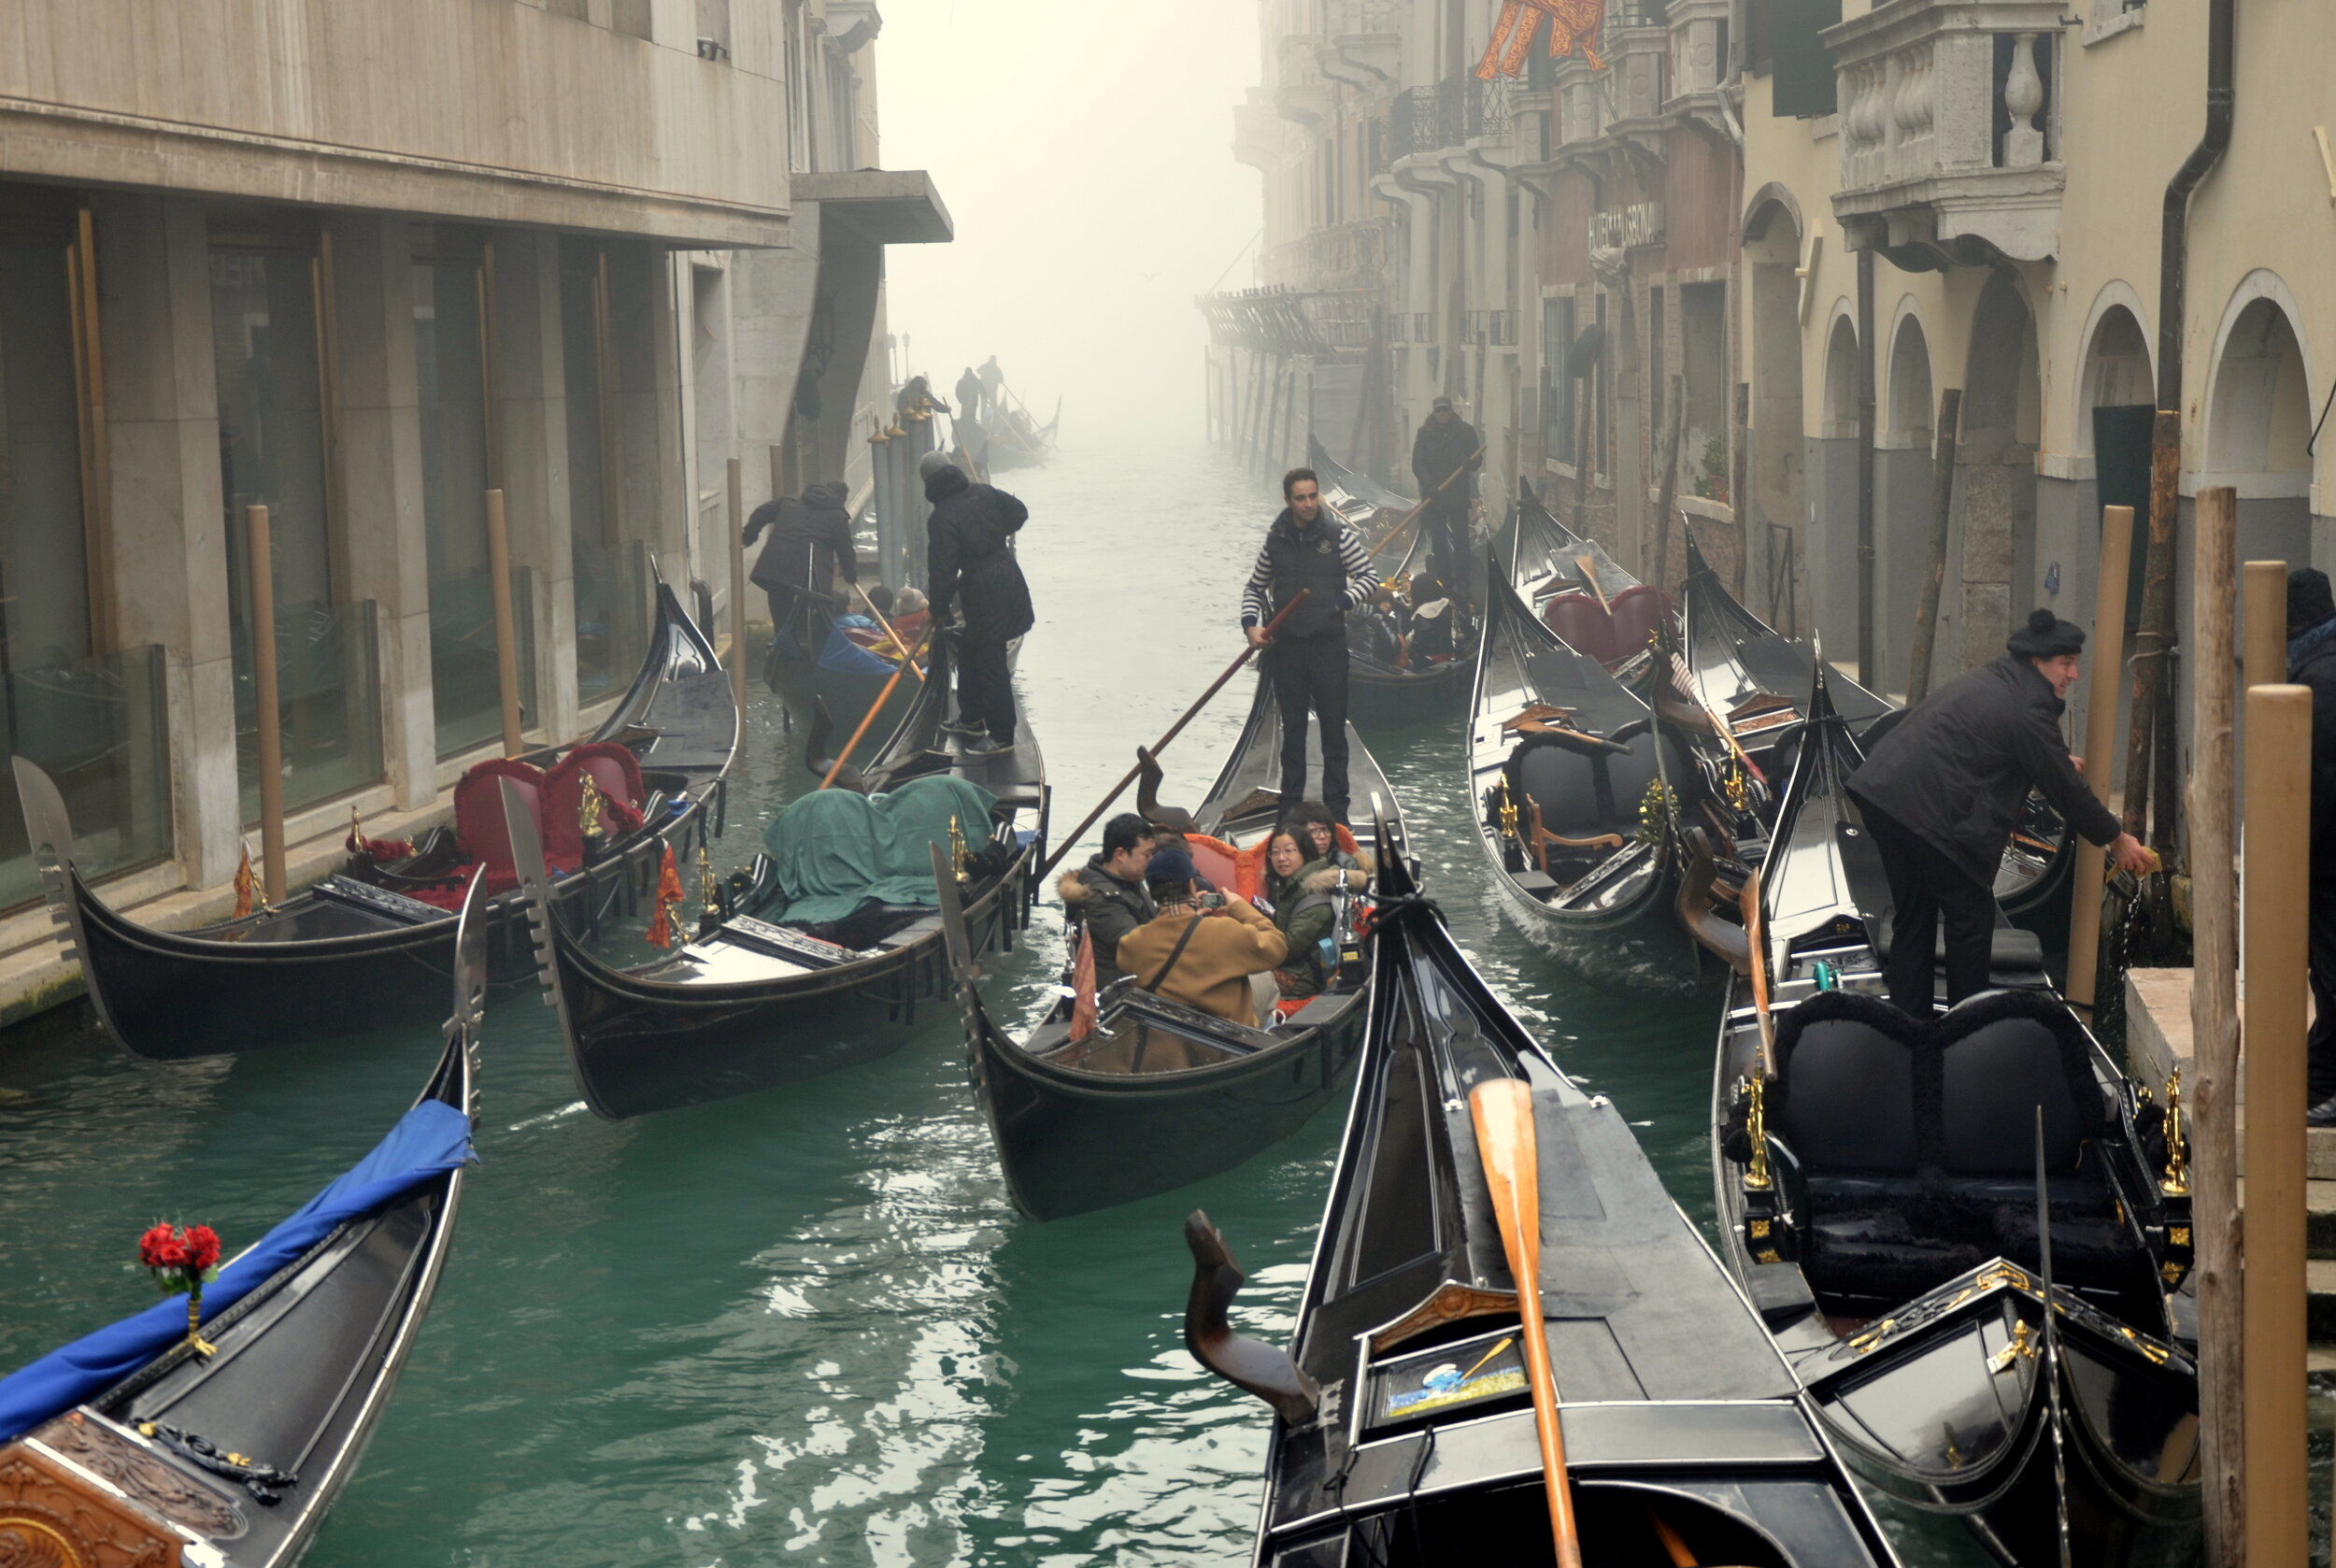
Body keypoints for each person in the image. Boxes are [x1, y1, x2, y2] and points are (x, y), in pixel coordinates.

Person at [1848, 608, 2153, 1019]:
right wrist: (2118, 839)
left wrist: (2056, 757)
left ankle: (1910, 1027)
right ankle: (1968, 1031)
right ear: (2036, 663)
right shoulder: (2027, 709)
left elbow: (2000, 736)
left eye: (2075, 663)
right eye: (2065, 664)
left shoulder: (1998, 681)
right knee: (1971, 922)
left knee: (1914, 920)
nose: (2073, 675)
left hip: (1885, 796)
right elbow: (2067, 791)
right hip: (1924, 811)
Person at [1240, 468, 1381, 822]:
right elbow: (1254, 588)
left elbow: (1369, 578)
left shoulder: (1338, 536)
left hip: (1328, 647)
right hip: (1288, 649)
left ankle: (1338, 813)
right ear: (1288, 501)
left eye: (1313, 496)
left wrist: (1341, 602)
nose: (1308, 504)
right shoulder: (1276, 541)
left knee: (1334, 730)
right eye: (1300, 498)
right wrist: (1250, 627)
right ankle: (1290, 811)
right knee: (1293, 733)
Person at [922, 449, 1033, 756]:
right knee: (971, 646)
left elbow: (942, 570)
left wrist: (939, 611)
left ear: (928, 483)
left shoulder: (941, 516)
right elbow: (1019, 512)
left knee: (990, 658)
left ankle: (1001, 736)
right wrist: (993, 534)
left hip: (985, 588)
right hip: (1006, 575)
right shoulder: (983, 492)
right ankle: (972, 718)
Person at [1116, 847, 1289, 1028]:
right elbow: (1277, 946)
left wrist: (1187, 918)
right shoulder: (1225, 931)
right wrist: (1239, 907)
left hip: (1171, 1042)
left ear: (1151, 891)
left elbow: (1172, 941)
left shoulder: (1132, 944)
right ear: (1192, 884)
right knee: (1265, 977)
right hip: (1226, 1044)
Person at [2289, 571, 2336, 1125]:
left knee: (2330, 973)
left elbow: (2316, 785)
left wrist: (2287, 858)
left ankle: (2315, 1084)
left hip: (2326, 864)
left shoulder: (2319, 684)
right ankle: (2309, 1080)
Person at [742, 480, 855, 660]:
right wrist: (850, 576)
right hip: (809, 571)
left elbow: (761, 513)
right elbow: (845, 549)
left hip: (775, 565)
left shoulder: (789, 501)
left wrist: (748, 537)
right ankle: (810, 651)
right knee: (818, 607)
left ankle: (786, 649)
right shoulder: (838, 516)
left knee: (780, 610)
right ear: (841, 498)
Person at [1057, 812, 1158, 987]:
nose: (1151, 861)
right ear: (1120, 855)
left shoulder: (1128, 879)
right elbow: (1138, 947)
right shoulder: (1103, 899)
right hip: (1122, 992)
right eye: (1146, 855)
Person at [1261, 827, 1343, 1002]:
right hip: (1287, 964)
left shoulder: (1316, 891)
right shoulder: (1285, 885)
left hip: (1302, 976)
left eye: (1289, 851)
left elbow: (1288, 948)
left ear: (1305, 851)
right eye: (1275, 852)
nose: (1281, 858)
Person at [1410, 397, 1481, 595]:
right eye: (1438, 410)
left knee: (1461, 541)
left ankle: (1464, 582)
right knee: (1439, 542)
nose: (1442, 413)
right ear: (1434, 412)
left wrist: (1470, 464)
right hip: (1434, 496)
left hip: (1457, 493)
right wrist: (1429, 485)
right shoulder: (1424, 433)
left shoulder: (1465, 432)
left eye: (1445, 410)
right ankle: (1444, 582)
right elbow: (1418, 464)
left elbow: (1477, 458)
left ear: (1451, 411)